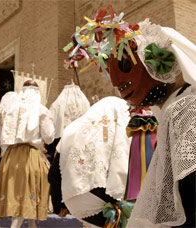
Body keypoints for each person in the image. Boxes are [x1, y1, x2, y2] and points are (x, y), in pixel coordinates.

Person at [64, 6, 196, 227]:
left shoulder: (184, 109)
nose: (116, 83)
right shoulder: (176, 108)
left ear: (155, 61)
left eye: (125, 65)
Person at [57, 96, 132, 227]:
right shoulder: (123, 130)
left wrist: (59, 204)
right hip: (106, 199)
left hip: (75, 201)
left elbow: (53, 173)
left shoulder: (73, 128)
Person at [0, 81, 55, 228]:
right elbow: (50, 137)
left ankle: (32, 225)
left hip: (11, 156)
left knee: (17, 193)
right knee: (27, 193)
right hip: (29, 156)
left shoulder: (9, 108)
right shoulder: (41, 110)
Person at [47, 82, 90, 217]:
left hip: (63, 141)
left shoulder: (58, 103)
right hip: (82, 142)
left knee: (58, 175)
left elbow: (50, 124)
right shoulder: (84, 101)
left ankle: (61, 207)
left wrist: (49, 148)